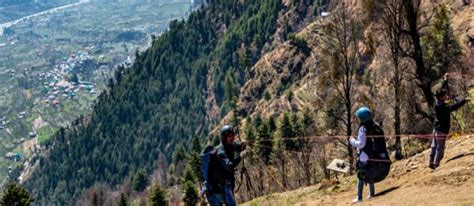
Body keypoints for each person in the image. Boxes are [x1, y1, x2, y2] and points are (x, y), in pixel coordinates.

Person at [429, 73, 470, 170]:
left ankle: (431, 162)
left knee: (434, 146)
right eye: (445, 95)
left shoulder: (437, 103)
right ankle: (436, 164)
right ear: (442, 97)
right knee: (440, 149)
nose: (447, 96)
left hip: (436, 128)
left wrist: (445, 80)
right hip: (441, 130)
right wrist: (464, 101)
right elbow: (454, 107)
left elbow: (438, 92)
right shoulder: (443, 107)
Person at [206, 125, 248, 206]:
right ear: (224, 138)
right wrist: (240, 156)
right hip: (218, 187)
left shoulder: (229, 146)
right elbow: (230, 166)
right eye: (229, 136)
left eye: (232, 135)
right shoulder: (220, 152)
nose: (231, 138)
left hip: (225, 184)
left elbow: (236, 146)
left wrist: (242, 145)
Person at [350, 107, 378, 203]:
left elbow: (361, 144)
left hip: (364, 155)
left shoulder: (363, 128)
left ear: (362, 118)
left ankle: (359, 197)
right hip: (372, 154)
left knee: (360, 176)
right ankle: (372, 193)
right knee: (370, 172)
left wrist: (352, 140)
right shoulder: (374, 126)